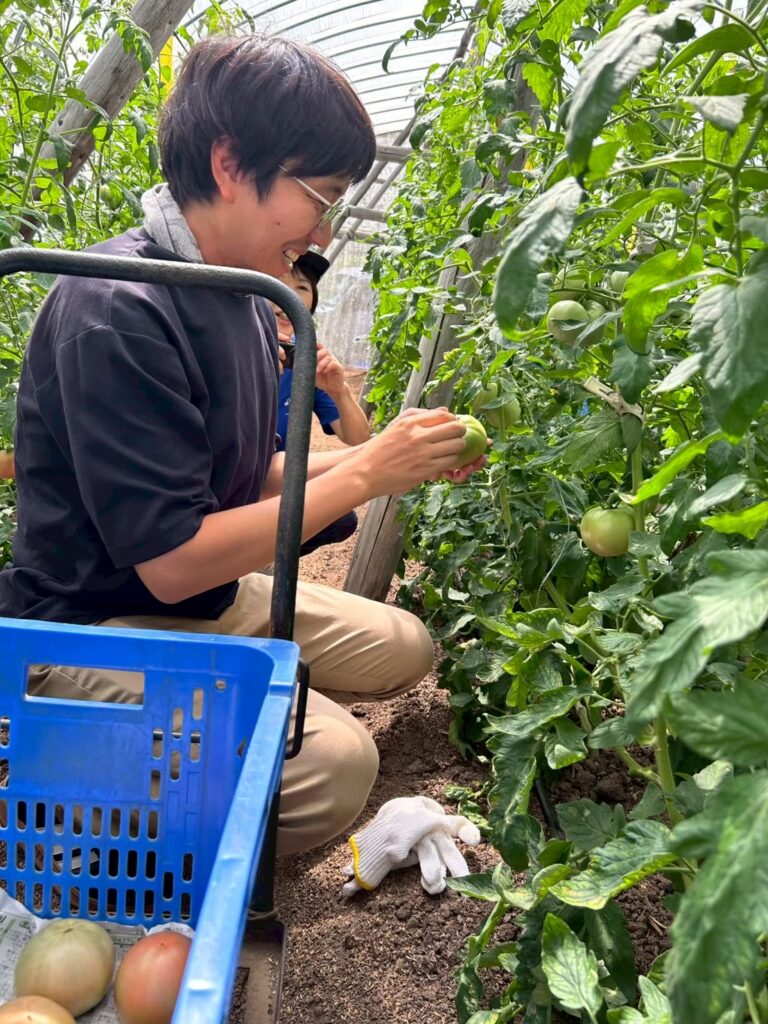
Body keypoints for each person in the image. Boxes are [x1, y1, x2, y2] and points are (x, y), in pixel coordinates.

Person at [0, 34, 485, 861]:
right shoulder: (118, 308)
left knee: (406, 646)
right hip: (95, 623)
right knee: (334, 768)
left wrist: (399, 455)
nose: (323, 229)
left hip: (207, 604)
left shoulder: (246, 298)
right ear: (229, 164)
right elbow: (172, 563)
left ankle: (198, 733)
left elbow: (251, 472)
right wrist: (369, 471)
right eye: (319, 196)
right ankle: (74, 793)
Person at [273, 250, 368, 556]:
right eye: (277, 283)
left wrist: (339, 390)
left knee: (340, 520)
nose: (289, 296)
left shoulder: (305, 361)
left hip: (272, 483)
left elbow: (357, 438)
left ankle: (250, 558)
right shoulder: (230, 347)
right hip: (226, 488)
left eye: (302, 287)